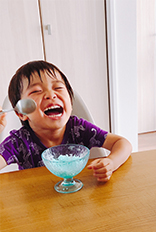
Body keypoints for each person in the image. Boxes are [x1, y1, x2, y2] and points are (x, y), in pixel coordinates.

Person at [0, 60, 132, 182]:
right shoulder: (19, 142)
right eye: (36, 91)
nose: (51, 95)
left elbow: (122, 143)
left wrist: (112, 162)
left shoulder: (78, 129)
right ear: (21, 113)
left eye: (58, 88)